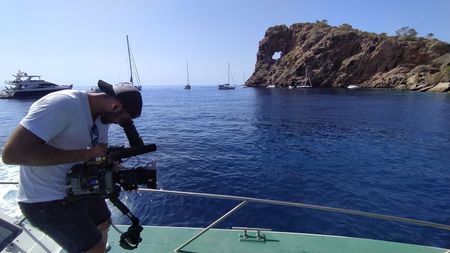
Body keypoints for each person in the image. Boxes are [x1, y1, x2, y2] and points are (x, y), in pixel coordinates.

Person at [1, 80, 142, 253]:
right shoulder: (63, 104)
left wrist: (122, 173)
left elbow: (97, 158)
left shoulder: (101, 118)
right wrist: (86, 154)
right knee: (93, 247)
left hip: (80, 189)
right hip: (46, 200)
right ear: (115, 106)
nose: (118, 124)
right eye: (122, 120)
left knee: (103, 224)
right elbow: (12, 154)